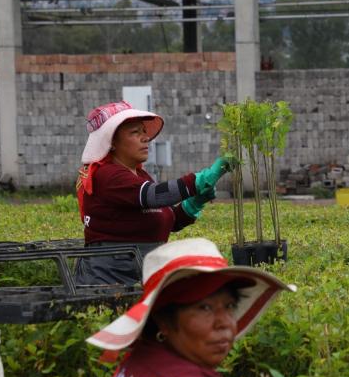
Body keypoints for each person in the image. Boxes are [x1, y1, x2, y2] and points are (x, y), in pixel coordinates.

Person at [86, 238, 294, 377]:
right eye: (204, 308)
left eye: (230, 306)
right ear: (163, 320)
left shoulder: (145, 358)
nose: (225, 323)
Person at [75, 100, 232, 285]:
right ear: (112, 143)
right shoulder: (107, 175)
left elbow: (166, 218)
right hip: (109, 280)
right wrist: (197, 181)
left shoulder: (140, 175)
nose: (145, 138)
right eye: (135, 133)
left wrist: (194, 204)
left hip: (138, 275)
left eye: (144, 132)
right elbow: (154, 196)